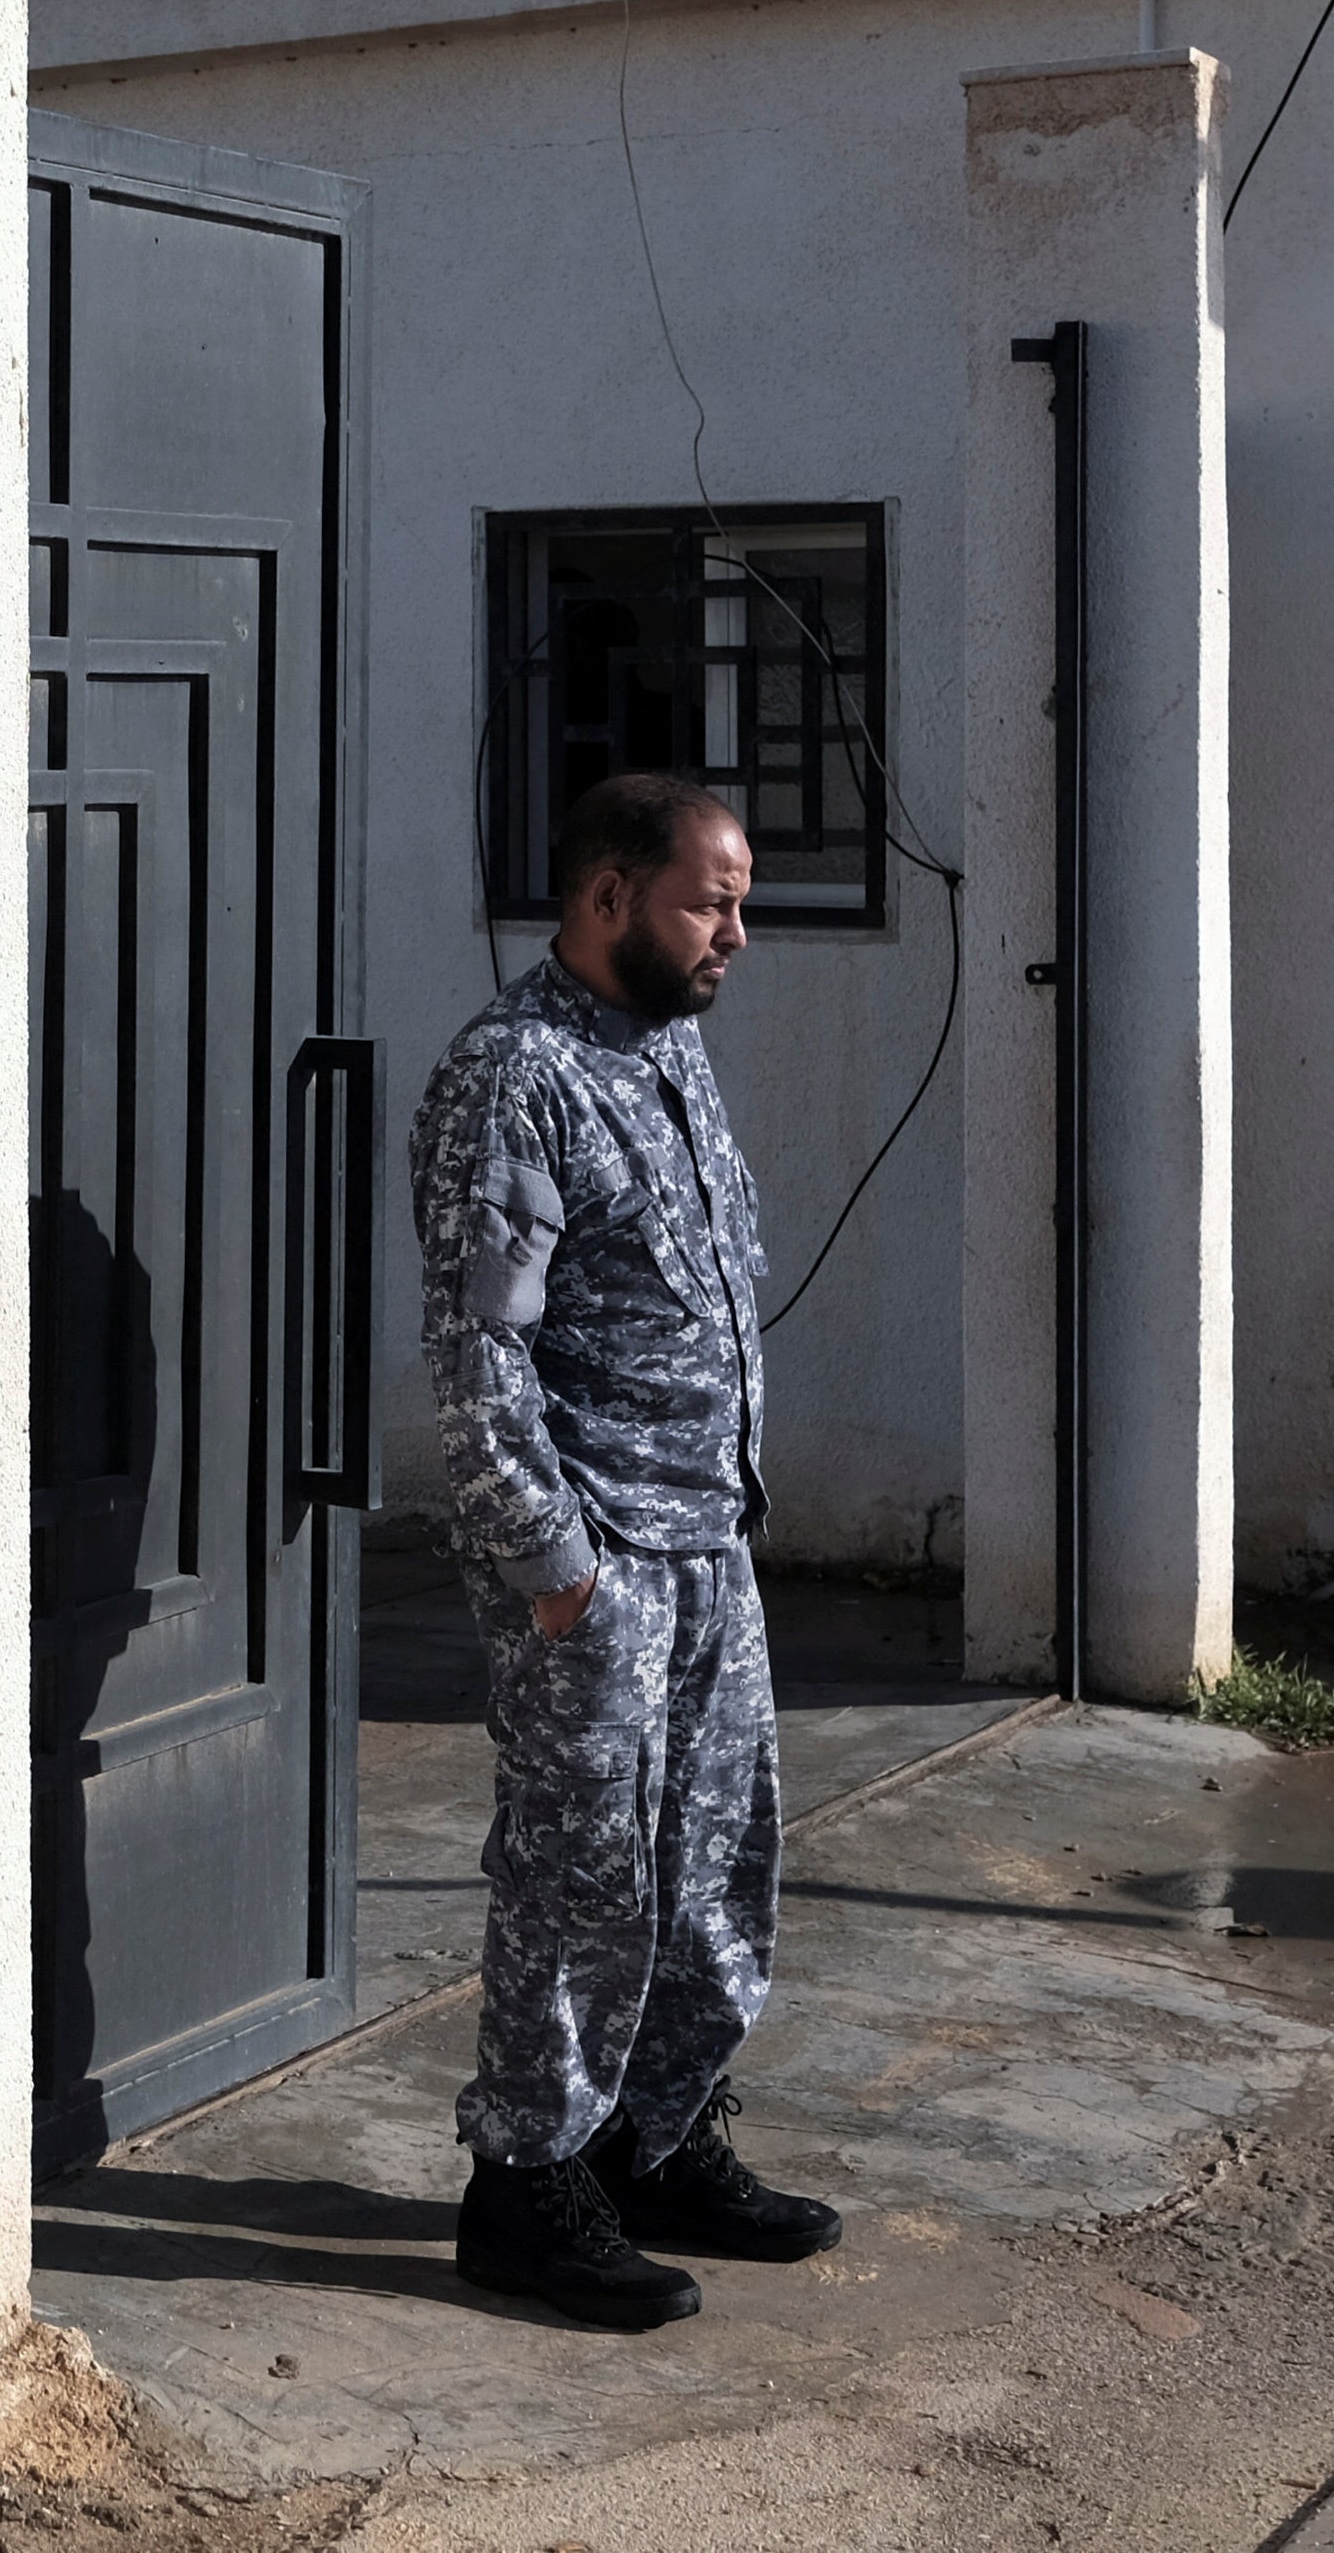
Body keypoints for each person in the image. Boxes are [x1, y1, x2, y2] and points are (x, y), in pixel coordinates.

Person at [411, 770, 844, 2332]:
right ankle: (526, 2188)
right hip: (592, 1564)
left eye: (738, 902)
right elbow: (479, 1356)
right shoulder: (513, 1079)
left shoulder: (666, 1052)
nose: (736, 931)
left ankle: (650, 2139)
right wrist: (557, 1572)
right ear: (606, 896)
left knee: (714, 1865)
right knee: (579, 1880)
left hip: (704, 1538)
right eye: (707, 900)